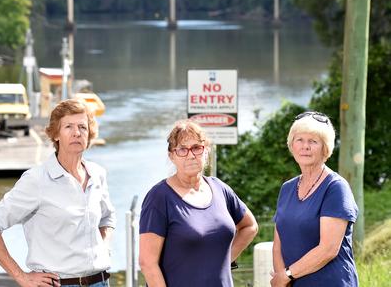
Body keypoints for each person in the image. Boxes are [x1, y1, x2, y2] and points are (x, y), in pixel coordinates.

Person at [0, 99, 116, 287]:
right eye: (69, 126)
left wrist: (104, 249)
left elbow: (107, 219)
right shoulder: (37, 180)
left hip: (100, 282)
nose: (77, 133)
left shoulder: (97, 174)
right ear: (56, 134)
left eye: (83, 127)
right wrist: (21, 276)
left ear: (89, 133)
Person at [139, 119, 258, 286]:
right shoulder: (159, 197)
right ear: (172, 155)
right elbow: (147, 263)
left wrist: (224, 261)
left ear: (206, 151)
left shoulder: (220, 188)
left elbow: (249, 226)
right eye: (182, 149)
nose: (191, 155)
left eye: (196, 148)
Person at [270, 111, 359, 286]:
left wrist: (287, 274)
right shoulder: (287, 188)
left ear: (325, 148)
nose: (305, 146)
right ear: (292, 145)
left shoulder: (336, 187)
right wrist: (282, 278)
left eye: (313, 141)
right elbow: (277, 244)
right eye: (300, 140)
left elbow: (328, 250)